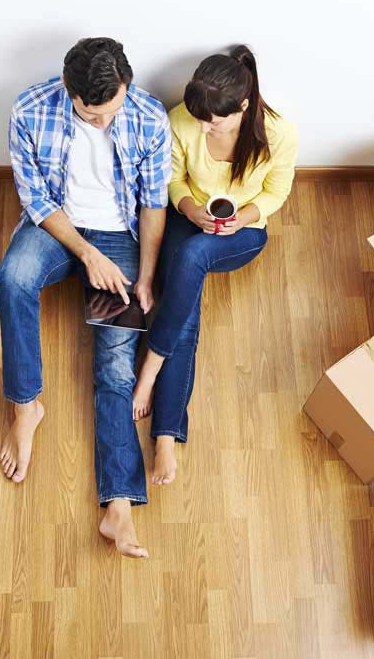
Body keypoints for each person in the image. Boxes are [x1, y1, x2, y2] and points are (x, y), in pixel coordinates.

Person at [0, 37, 171, 558]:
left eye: (111, 111)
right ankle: (26, 408)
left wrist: (144, 274)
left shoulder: (147, 116)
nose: (103, 123)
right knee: (14, 277)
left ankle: (117, 507)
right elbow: (36, 200)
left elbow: (154, 203)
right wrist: (84, 254)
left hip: (120, 238)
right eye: (91, 115)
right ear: (69, 91)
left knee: (115, 364)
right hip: (58, 228)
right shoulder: (29, 110)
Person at [131, 45, 298, 485]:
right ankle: (166, 433)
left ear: (243, 107)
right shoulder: (180, 121)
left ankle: (151, 365)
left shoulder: (278, 135)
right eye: (200, 118)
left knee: (190, 259)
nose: (205, 126)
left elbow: (276, 194)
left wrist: (240, 218)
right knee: (185, 291)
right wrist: (189, 210)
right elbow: (171, 179)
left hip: (242, 231)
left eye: (216, 120)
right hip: (192, 218)